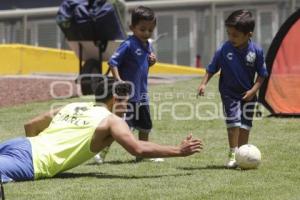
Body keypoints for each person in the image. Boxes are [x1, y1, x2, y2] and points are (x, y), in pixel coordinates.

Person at [0, 78, 203, 182]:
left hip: (20, 145)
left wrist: (36, 147)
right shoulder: (111, 120)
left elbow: (31, 125)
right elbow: (137, 148)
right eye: (125, 102)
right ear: (115, 99)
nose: (127, 107)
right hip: (32, 161)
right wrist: (178, 151)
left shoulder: (73, 106)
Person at [197, 10, 268, 168]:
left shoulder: (256, 51)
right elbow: (211, 68)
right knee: (233, 124)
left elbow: (262, 75)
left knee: (245, 126)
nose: (231, 38)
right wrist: (203, 84)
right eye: (229, 33)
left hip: (248, 95)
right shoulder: (224, 49)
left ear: (248, 34)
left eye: (235, 35)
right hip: (229, 94)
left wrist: (253, 91)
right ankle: (232, 154)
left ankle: (242, 155)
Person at [108, 6, 159, 162]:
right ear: (132, 28)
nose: (146, 33)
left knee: (145, 125)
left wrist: (152, 61)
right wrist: (118, 80)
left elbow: (142, 64)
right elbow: (113, 61)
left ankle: (143, 153)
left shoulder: (147, 44)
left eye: (150, 30)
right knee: (122, 127)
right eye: (142, 29)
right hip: (128, 95)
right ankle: (102, 151)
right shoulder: (128, 44)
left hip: (142, 93)